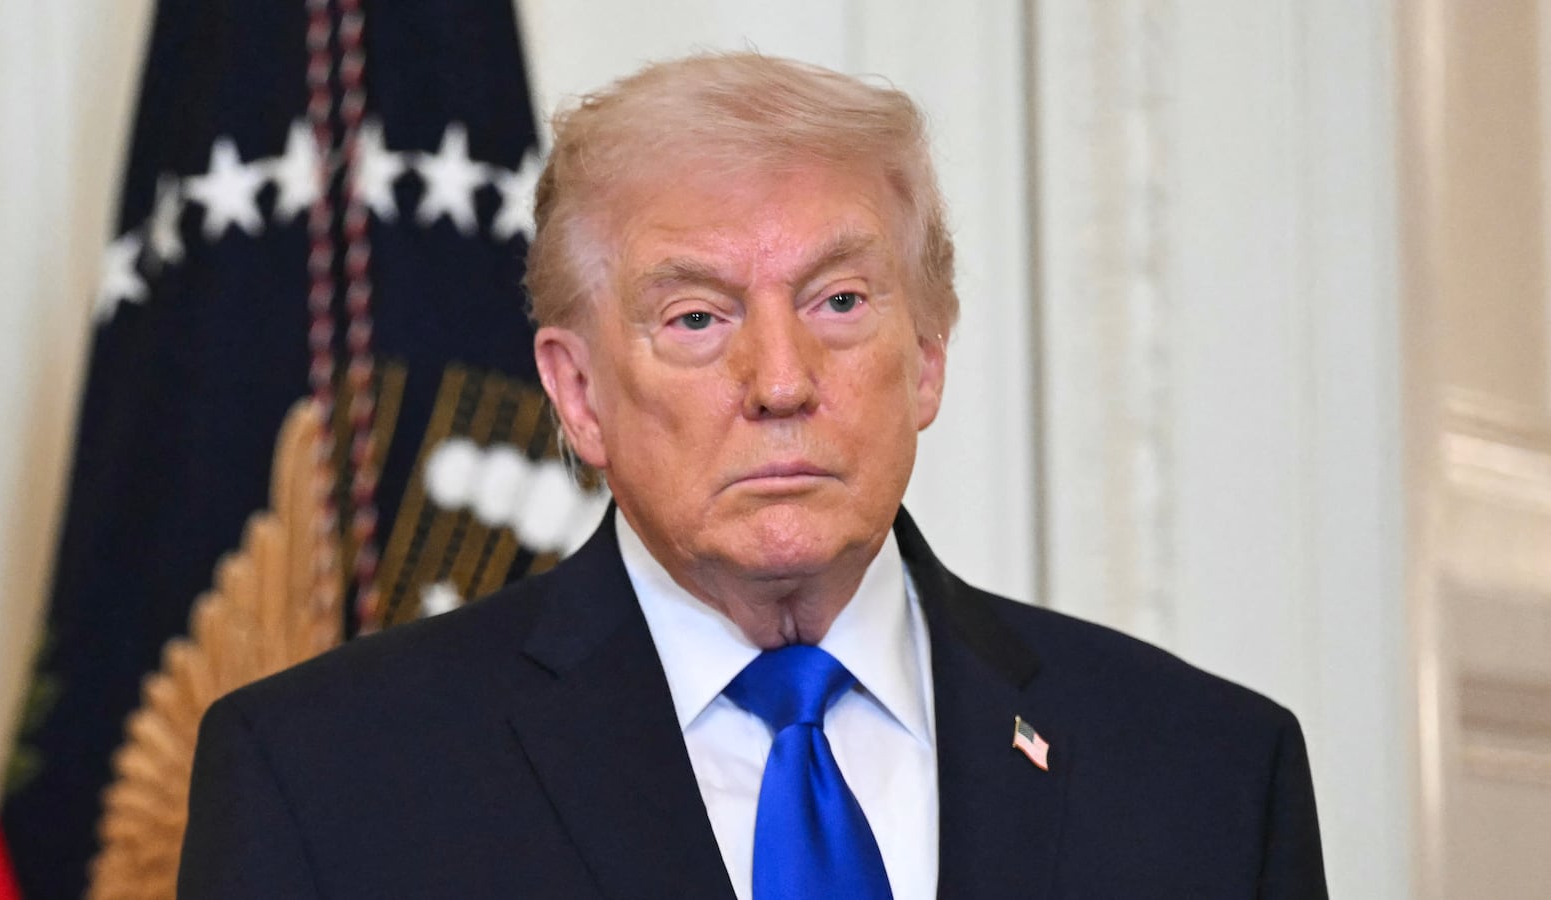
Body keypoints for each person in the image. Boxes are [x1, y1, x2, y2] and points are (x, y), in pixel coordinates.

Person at [179, 53, 1329, 899]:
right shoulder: (331, 783)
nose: (780, 379)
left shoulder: (1209, 773)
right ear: (578, 395)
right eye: (695, 316)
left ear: (926, 357)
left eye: (839, 302)